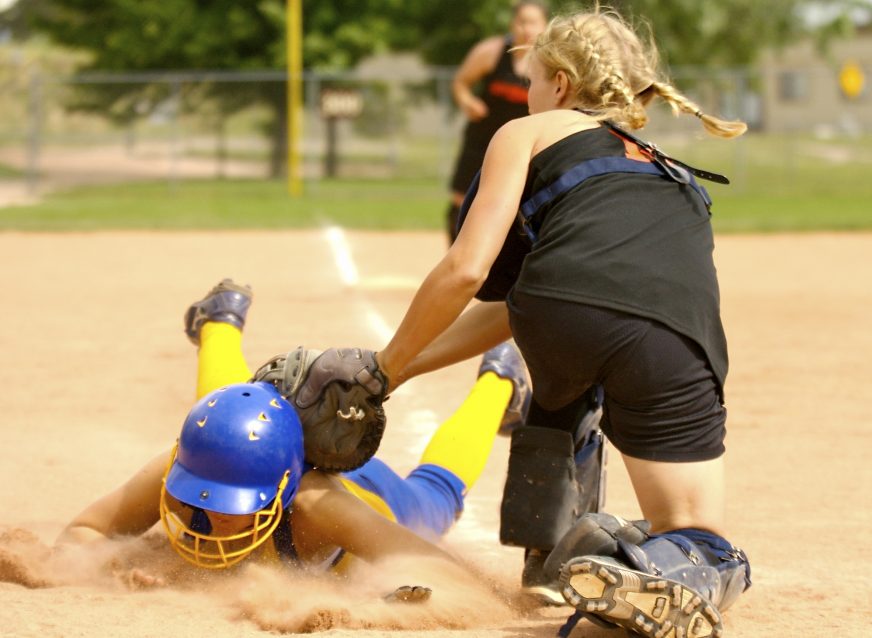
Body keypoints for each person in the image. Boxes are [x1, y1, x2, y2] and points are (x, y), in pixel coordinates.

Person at [287, 7, 753, 638]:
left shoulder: (527, 132)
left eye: (532, 79)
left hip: (559, 323)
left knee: (566, 373)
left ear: (560, 83)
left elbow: (476, 275)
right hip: (676, 336)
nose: (529, 93)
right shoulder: (669, 169)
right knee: (699, 537)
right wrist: (392, 370)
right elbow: (556, 295)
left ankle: (561, 551)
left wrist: (385, 368)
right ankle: (668, 567)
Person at [56, 279, 530, 592]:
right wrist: (109, 565)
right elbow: (83, 532)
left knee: (437, 494)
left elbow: (444, 575)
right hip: (262, 448)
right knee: (227, 412)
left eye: (230, 505)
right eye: (202, 497)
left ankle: (500, 378)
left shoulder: (318, 508)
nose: (208, 515)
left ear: (280, 494)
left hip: (379, 498)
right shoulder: (187, 465)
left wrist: (398, 599)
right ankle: (219, 322)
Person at [445, 0, 549, 243]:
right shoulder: (491, 52)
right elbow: (460, 83)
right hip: (482, 140)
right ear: (512, 24)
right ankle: (456, 253)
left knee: (514, 206)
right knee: (461, 201)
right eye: (521, 22)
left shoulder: (548, 62)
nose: (526, 28)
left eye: (533, 22)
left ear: (545, 26)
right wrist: (467, 101)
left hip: (523, 148)